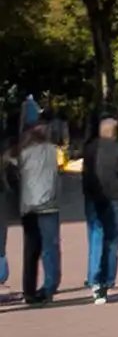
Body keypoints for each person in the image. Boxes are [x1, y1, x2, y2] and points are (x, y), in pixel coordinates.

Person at [81, 116, 118, 303]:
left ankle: (94, 278)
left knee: (95, 237)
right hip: (114, 198)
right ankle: (107, 279)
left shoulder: (90, 148)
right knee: (112, 240)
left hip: (93, 197)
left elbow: (85, 172)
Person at [18, 125, 62, 306]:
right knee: (50, 247)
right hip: (48, 205)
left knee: (30, 250)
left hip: (27, 206)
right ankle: (49, 285)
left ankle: (29, 291)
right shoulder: (53, 151)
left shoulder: (23, 154)